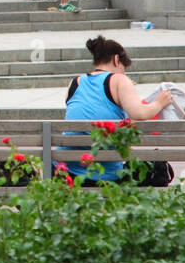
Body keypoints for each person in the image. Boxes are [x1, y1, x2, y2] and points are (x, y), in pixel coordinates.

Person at [62, 36, 173, 184]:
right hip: (108, 174)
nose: (124, 73)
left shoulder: (75, 82)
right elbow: (139, 113)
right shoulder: (119, 80)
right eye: (124, 68)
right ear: (116, 60)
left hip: (69, 171)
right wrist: (160, 102)